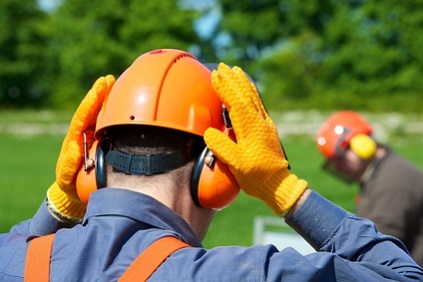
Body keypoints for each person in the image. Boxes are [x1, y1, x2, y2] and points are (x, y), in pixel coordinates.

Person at [0, 49, 422, 281]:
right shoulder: (243, 274)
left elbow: (20, 246)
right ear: (215, 171)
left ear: (91, 166)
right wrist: (284, 189)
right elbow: (402, 277)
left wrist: (57, 206)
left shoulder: (12, 259)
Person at [316, 110, 423, 266]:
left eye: (339, 159)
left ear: (361, 145)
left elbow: (378, 248)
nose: (338, 168)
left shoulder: (393, 181)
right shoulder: (381, 173)